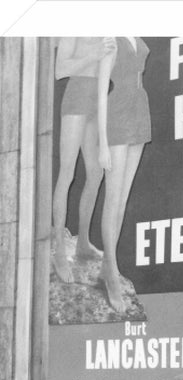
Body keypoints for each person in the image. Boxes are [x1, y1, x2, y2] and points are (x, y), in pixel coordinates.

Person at [52, 37, 115, 283]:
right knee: (67, 172)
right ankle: (59, 250)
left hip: (99, 99)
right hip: (77, 96)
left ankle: (83, 243)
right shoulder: (74, 29)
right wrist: (94, 55)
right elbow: (60, 70)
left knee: (96, 173)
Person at [97, 37, 151, 314]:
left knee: (122, 200)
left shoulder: (137, 36)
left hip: (139, 109)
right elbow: (101, 90)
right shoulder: (111, 37)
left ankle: (108, 265)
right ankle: (112, 273)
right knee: (112, 199)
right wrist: (103, 143)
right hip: (118, 112)